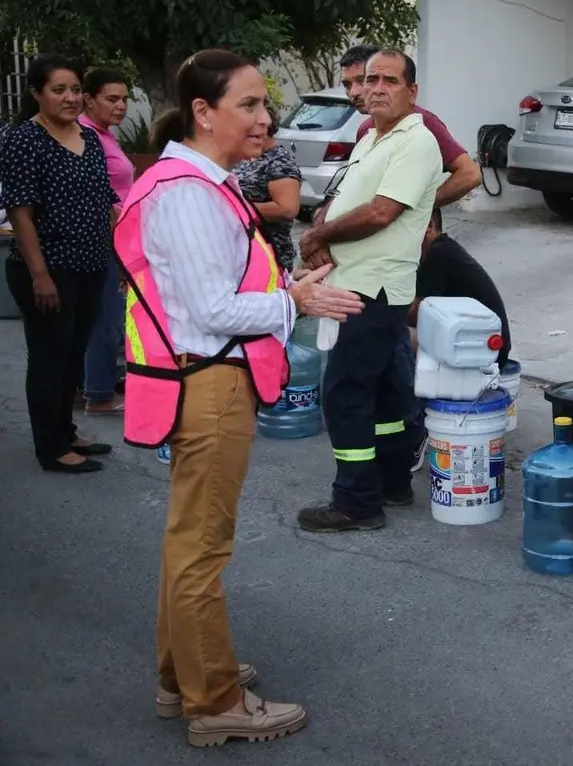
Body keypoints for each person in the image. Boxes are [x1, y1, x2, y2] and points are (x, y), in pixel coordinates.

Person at [114, 49, 364, 746]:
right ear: (203, 112)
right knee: (203, 548)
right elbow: (211, 310)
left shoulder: (197, 182)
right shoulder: (188, 193)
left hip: (203, 378)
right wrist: (296, 296)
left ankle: (183, 674)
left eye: (265, 104)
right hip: (210, 380)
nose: (265, 117)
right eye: (248, 104)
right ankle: (214, 700)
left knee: (188, 541)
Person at [296, 48, 447, 532]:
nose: (376, 87)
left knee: (345, 392)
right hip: (359, 281)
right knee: (382, 390)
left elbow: (382, 212)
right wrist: (322, 226)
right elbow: (344, 200)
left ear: (412, 91)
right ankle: (391, 482)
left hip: (371, 287)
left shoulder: (416, 141)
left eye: (389, 80)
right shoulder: (373, 138)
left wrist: (320, 235)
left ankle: (356, 501)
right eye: (370, 78)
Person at [0, 54, 118, 473]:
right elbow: (20, 212)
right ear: (36, 94)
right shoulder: (24, 140)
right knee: (49, 355)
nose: (70, 98)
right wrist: (40, 274)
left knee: (73, 353)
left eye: (74, 90)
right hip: (49, 270)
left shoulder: (88, 138)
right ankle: (50, 448)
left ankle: (66, 431)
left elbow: (106, 200)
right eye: (58, 90)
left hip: (90, 265)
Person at [407, 205, 514, 475]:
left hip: (478, 349)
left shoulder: (438, 255)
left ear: (428, 226)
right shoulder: (442, 250)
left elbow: (416, 313)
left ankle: (415, 432)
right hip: (474, 343)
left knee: (394, 341)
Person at [326, 43, 480, 214]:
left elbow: (470, 174)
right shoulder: (366, 130)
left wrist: (419, 206)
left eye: (362, 80)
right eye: (347, 84)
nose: (354, 92)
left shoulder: (421, 123)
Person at [78, 66, 134, 415]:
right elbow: (99, 196)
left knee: (106, 316)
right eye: (112, 99)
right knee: (107, 318)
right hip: (108, 239)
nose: (121, 106)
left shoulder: (105, 134)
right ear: (89, 99)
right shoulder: (87, 136)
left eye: (125, 99)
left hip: (120, 237)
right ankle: (98, 394)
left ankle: (94, 384)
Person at [231, 105, 301, 270]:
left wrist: (236, 207)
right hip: (244, 251)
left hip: (271, 253)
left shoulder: (279, 161)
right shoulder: (249, 156)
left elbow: (287, 209)